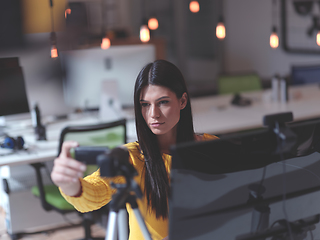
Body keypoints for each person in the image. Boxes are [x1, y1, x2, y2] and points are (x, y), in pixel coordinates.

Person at [51, 59, 218, 240]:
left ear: (183, 101)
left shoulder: (211, 147)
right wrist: (69, 184)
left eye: (163, 102)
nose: (153, 114)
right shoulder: (133, 157)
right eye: (145, 104)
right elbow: (95, 191)